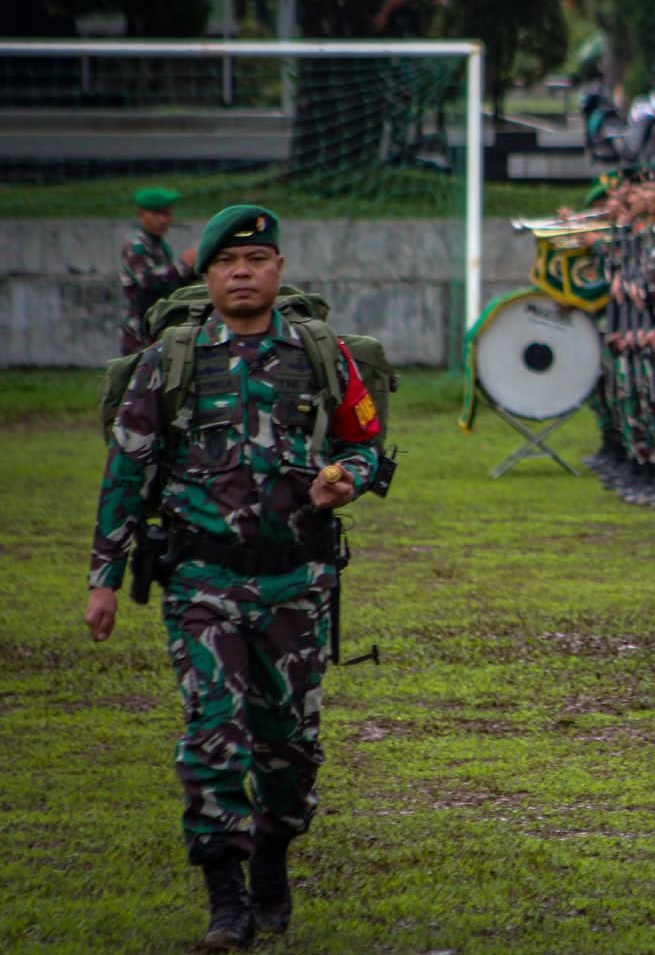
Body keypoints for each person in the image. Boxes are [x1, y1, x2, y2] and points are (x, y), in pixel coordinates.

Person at [87, 205, 383, 951]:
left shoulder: (321, 356)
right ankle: (225, 895)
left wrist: (348, 474)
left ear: (279, 269)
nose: (241, 273)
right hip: (202, 583)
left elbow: (370, 443)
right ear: (207, 274)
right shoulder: (172, 362)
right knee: (214, 736)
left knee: (290, 748)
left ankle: (274, 857)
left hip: (297, 584)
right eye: (226, 264)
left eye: (255, 261)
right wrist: (104, 576)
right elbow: (127, 470)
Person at [120, 187, 198, 354]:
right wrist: (183, 266)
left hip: (158, 320)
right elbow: (147, 280)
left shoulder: (161, 247)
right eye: (157, 214)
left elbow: (171, 284)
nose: (163, 220)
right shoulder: (136, 247)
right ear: (141, 215)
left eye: (167, 214)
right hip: (140, 326)